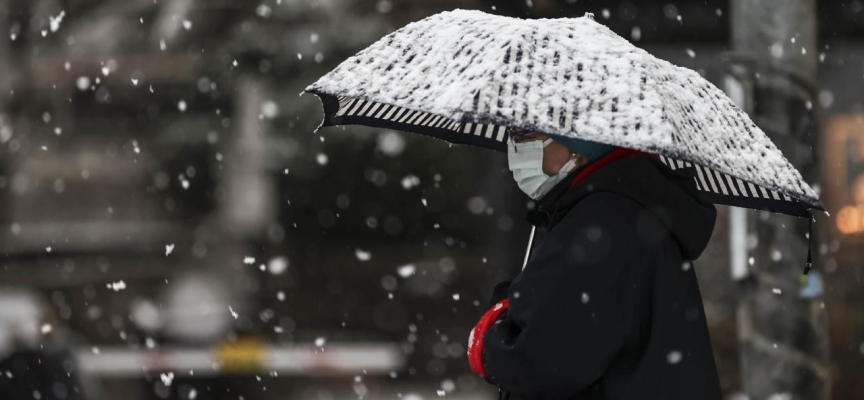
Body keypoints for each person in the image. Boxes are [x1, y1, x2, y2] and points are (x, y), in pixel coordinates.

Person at [467, 128, 723, 399]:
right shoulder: (623, 207)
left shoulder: (601, 223)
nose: (515, 147)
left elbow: (539, 361)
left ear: (577, 146)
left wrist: (493, 333)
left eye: (526, 134)